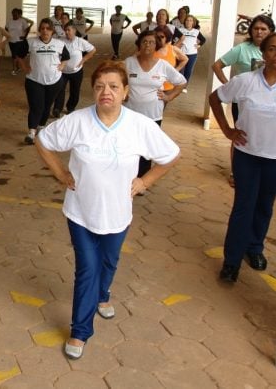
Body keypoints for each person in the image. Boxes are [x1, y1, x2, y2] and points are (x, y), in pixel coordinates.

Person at [36, 60, 179, 360]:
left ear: (126, 92)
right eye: (100, 86)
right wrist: (61, 173)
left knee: (109, 262)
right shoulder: (77, 121)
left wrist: (145, 181)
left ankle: (103, 295)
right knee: (87, 269)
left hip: (118, 213)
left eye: (114, 87)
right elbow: (43, 140)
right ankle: (80, 331)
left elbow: (170, 155)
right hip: (81, 213)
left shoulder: (139, 125)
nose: (106, 92)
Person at [208, 33, 276, 283]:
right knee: (243, 206)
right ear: (263, 53)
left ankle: (254, 248)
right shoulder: (245, 81)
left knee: (265, 204)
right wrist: (227, 130)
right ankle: (232, 261)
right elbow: (216, 98)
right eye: (272, 49)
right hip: (247, 156)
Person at [211, 14, 275, 187]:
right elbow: (217, 65)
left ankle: (259, 169)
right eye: (256, 28)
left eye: (263, 29)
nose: (259, 32)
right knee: (240, 136)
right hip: (244, 104)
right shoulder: (242, 49)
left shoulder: (274, 51)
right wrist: (229, 86)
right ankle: (236, 171)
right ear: (251, 31)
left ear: (270, 31)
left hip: (269, 105)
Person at [124, 30, 186, 178]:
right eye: (144, 41)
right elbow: (118, 80)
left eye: (151, 42)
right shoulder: (129, 62)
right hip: (130, 113)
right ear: (139, 44)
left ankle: (142, 180)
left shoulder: (163, 66)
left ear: (156, 45)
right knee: (129, 146)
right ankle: (127, 176)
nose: (147, 45)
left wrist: (169, 97)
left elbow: (182, 82)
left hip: (153, 115)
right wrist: (122, 95)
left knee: (147, 148)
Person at [15, 18, 70, 145]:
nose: (45, 31)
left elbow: (66, 57)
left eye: (48, 28)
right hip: (34, 80)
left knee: (47, 106)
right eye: (43, 28)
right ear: (39, 30)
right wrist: (24, 67)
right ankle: (31, 132)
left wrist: (62, 66)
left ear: (52, 31)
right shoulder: (30, 42)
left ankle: (41, 126)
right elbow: (19, 55)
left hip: (54, 81)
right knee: (36, 106)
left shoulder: (59, 44)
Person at [53, 23, 96, 117]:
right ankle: (57, 109)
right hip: (62, 72)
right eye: (66, 30)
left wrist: (84, 59)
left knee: (75, 91)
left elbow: (93, 50)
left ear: (74, 31)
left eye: (69, 30)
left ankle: (70, 107)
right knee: (59, 90)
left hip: (76, 72)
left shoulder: (80, 41)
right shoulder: (60, 41)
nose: (67, 32)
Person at [178, 15, 206, 85]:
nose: (188, 22)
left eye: (190, 20)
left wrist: (199, 45)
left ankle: (184, 86)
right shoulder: (180, 30)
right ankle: (179, 84)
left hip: (192, 54)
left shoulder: (196, 31)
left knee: (188, 70)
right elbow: (174, 39)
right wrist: (177, 44)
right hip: (182, 53)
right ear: (185, 21)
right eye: (187, 20)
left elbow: (203, 39)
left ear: (193, 22)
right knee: (180, 70)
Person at [5, 8, 33, 75]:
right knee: (14, 55)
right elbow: (6, 28)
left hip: (19, 41)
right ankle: (16, 68)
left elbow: (27, 29)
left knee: (16, 55)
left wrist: (25, 36)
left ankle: (15, 69)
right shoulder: (10, 21)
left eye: (16, 13)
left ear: (19, 14)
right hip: (11, 41)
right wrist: (7, 35)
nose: (14, 15)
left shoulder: (22, 21)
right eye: (13, 13)